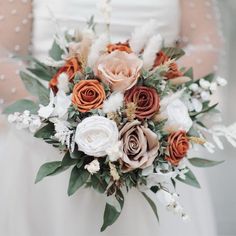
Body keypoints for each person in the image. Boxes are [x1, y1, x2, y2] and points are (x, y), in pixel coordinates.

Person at [0, 0, 222, 235]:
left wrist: (150, 101)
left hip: (154, 144)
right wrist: (62, 118)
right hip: (47, 147)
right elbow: (3, 54)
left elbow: (206, 43)